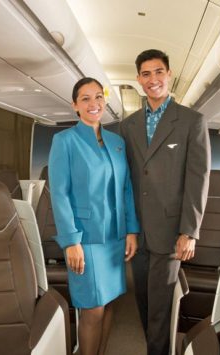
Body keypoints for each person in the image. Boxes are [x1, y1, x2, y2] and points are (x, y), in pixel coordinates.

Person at [120, 49, 210, 355]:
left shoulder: (190, 122)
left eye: (159, 72)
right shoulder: (128, 125)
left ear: (169, 75)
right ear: (138, 80)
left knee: (160, 307)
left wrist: (190, 231)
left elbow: (198, 179)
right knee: (144, 302)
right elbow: (128, 181)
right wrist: (129, 229)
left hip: (172, 231)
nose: (153, 80)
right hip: (139, 232)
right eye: (146, 74)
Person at [48, 77, 140, 355]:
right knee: (92, 309)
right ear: (75, 106)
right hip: (85, 238)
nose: (93, 103)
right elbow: (59, 194)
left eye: (98, 97)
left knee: (109, 302)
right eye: (85, 98)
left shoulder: (116, 142)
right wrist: (71, 241)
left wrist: (131, 230)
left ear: (105, 101)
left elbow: (126, 188)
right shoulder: (65, 141)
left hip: (114, 238)